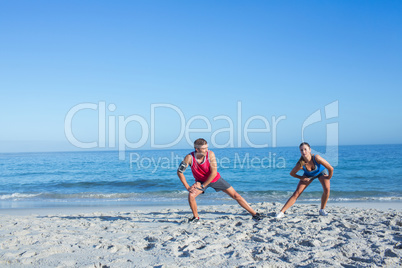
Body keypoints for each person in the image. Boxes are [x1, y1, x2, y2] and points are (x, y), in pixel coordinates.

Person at [177, 138, 262, 223]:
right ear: (197, 149)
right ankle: (196, 218)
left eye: (207, 147)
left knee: (236, 195)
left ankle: (255, 214)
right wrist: (188, 187)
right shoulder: (189, 157)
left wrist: (202, 186)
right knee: (191, 195)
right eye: (204, 149)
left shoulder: (210, 154)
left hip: (215, 179)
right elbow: (179, 172)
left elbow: (213, 173)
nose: (206, 150)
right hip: (201, 181)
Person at [276, 142, 334, 218]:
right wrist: (301, 178)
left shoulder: (316, 158)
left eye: (305, 149)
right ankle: (281, 212)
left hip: (321, 172)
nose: (303, 152)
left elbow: (330, 168)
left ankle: (322, 210)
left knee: (327, 190)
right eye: (301, 150)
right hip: (308, 175)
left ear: (310, 150)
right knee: (297, 193)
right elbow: (292, 173)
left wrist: (329, 177)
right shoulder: (301, 164)